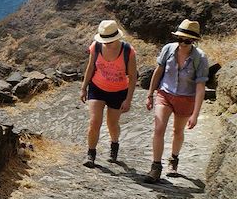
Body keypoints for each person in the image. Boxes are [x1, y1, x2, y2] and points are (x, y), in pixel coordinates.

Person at [144, 19, 209, 183]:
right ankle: (155, 167)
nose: (182, 43)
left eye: (187, 40)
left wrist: (195, 114)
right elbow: (158, 72)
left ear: (193, 41)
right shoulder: (168, 49)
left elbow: (200, 86)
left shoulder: (200, 58)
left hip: (186, 98)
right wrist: (150, 94)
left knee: (177, 132)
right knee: (159, 128)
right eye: (180, 39)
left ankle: (173, 160)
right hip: (165, 94)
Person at [80, 20, 137, 167]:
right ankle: (90, 154)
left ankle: (114, 145)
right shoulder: (96, 46)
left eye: (110, 40)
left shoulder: (128, 51)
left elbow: (132, 76)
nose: (107, 43)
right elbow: (90, 67)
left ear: (117, 37)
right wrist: (83, 87)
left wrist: (128, 99)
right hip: (97, 87)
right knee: (94, 122)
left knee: (112, 124)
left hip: (118, 91)